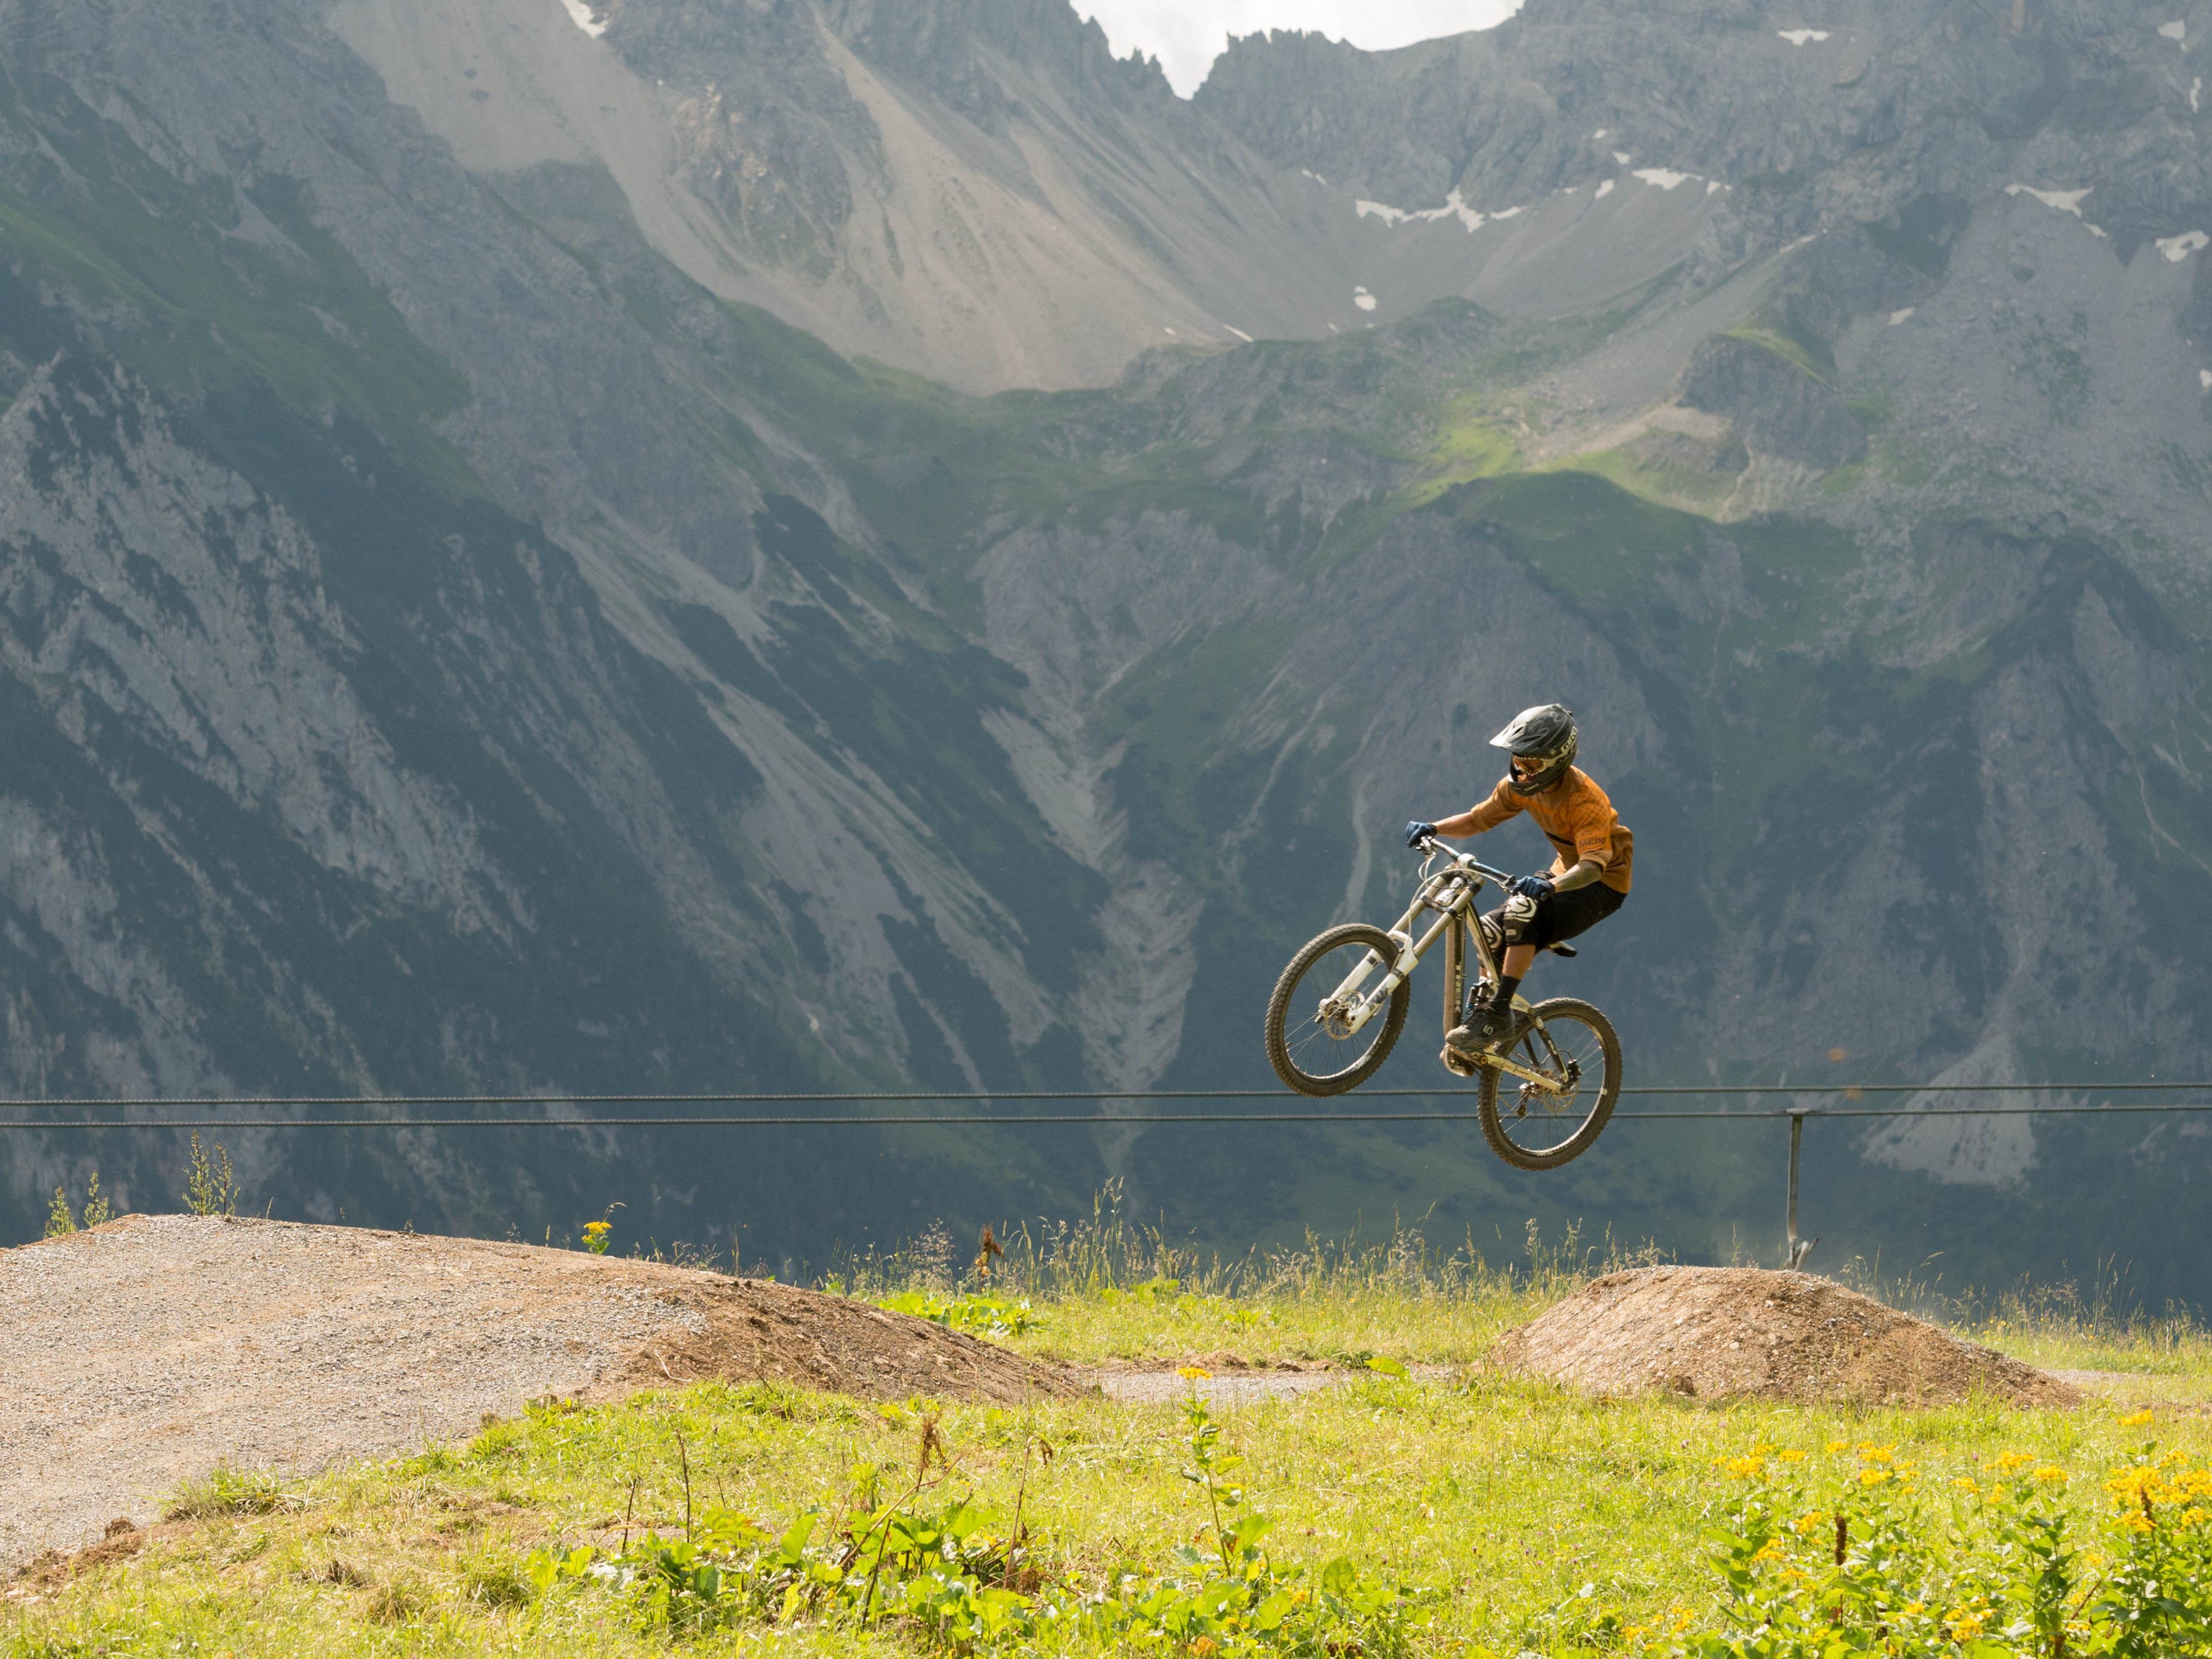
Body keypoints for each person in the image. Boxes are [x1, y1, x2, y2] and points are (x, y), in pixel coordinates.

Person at [1404, 704, 1632, 1056]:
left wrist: (1552, 886)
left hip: (1601, 887)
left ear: (1558, 761)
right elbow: (1477, 820)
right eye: (1518, 760)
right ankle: (1483, 1024)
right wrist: (1435, 827)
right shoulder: (1519, 787)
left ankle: (1497, 1012)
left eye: (1532, 764)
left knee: (1522, 909)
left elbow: (1593, 866)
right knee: (1487, 932)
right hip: (1561, 875)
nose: (1522, 770)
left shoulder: (1585, 801)